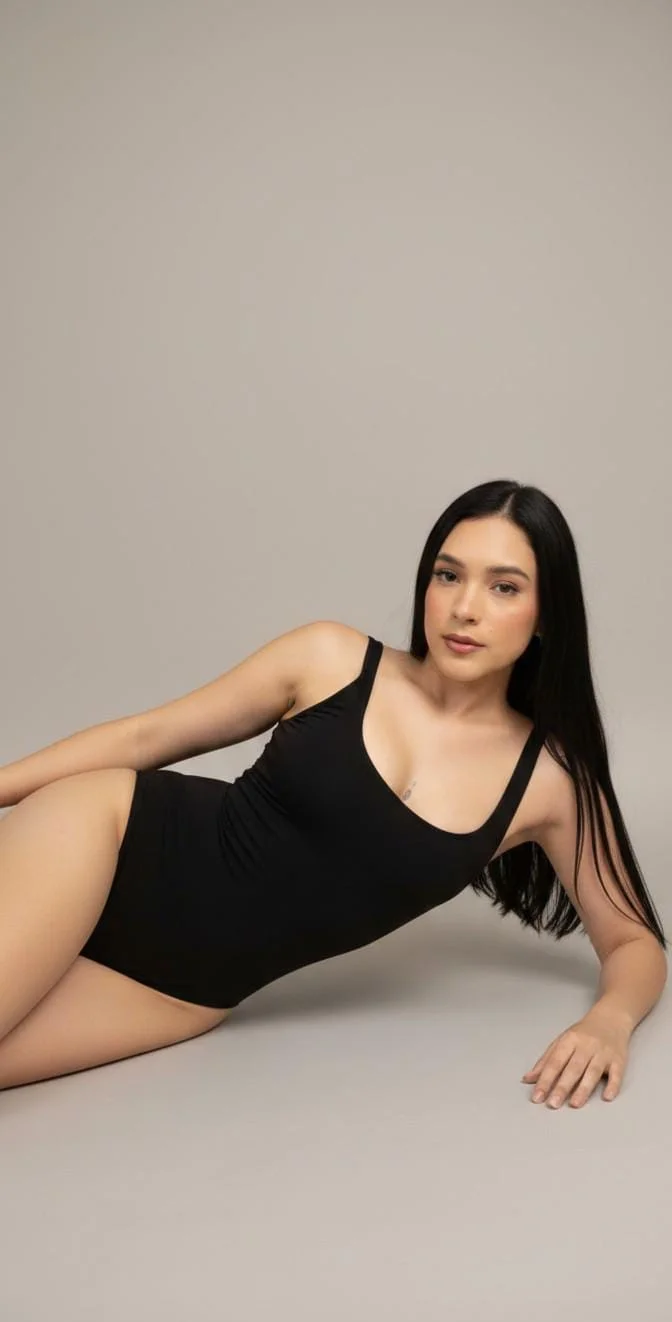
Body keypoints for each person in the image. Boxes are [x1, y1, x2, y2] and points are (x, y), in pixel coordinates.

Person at [0, 477, 666, 1102]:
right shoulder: (332, 659)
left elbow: (634, 943)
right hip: (109, 840)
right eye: (448, 575)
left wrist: (609, 1021)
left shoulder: (550, 783)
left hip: (182, 992)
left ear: (546, 614)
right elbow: (145, 737)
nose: (465, 608)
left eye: (504, 587)